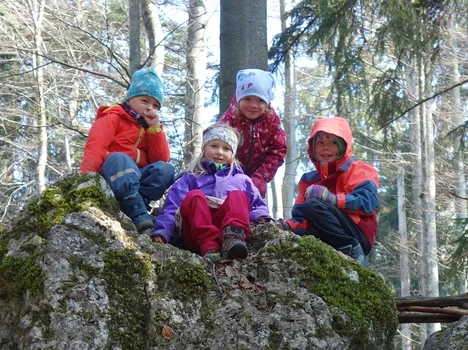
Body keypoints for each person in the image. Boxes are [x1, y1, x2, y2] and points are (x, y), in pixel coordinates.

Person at [151, 123, 270, 260]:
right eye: (214, 146)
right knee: (195, 196)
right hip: (196, 233)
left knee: (239, 196)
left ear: (233, 154)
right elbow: (172, 206)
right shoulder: (191, 177)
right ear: (204, 149)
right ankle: (209, 246)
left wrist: (262, 216)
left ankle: (233, 239)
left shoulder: (242, 179)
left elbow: (257, 204)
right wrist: (162, 232)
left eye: (226, 149)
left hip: (226, 227)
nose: (220, 152)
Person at [79, 67, 175, 233]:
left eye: (155, 105)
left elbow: (160, 158)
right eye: (144, 101)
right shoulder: (113, 116)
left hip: (136, 178)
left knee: (166, 169)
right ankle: (135, 209)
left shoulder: (150, 128)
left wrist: (154, 130)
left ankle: (138, 203)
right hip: (113, 172)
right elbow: (96, 145)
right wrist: (86, 176)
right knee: (120, 158)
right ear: (130, 99)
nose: (149, 108)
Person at [286, 117, 379, 264]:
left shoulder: (358, 168)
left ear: (343, 146)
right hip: (324, 232)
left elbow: (368, 203)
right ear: (312, 147)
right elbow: (301, 217)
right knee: (291, 235)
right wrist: (286, 226)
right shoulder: (307, 179)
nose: (326, 148)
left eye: (333, 143)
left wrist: (333, 199)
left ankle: (352, 249)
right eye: (320, 143)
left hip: (356, 233)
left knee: (313, 205)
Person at [217, 69, 287, 198]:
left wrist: (261, 177)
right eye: (247, 99)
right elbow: (216, 143)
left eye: (260, 100)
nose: (253, 105)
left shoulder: (272, 121)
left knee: (252, 206)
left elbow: (278, 150)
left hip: (257, 178)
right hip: (228, 175)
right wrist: (224, 172)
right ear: (239, 98)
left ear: (267, 102)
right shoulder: (230, 119)